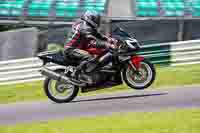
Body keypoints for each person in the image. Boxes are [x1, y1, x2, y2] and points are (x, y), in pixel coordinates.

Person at [64, 10, 117, 84]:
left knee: (97, 53)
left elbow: (98, 35)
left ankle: (96, 72)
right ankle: (77, 73)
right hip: (71, 49)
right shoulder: (84, 27)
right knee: (89, 56)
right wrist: (106, 44)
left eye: (97, 19)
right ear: (90, 18)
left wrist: (108, 39)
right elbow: (93, 41)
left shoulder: (87, 25)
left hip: (78, 47)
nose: (97, 21)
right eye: (95, 19)